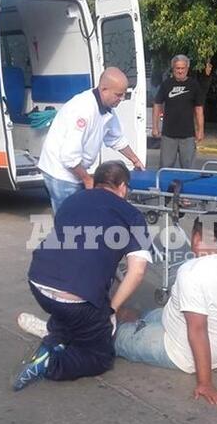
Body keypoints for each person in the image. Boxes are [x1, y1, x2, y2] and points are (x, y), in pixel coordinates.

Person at [12, 161, 152, 391]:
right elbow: (137, 272)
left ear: (95, 183)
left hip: (38, 282)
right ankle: (51, 364)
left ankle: (54, 337)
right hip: (75, 299)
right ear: (123, 187)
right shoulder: (131, 214)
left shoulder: (72, 200)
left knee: (79, 305)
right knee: (100, 355)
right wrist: (112, 310)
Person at [114, 214, 217, 405]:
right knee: (151, 315)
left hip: (181, 353)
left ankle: (117, 328)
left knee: (114, 335)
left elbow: (198, 329)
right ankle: (133, 321)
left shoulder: (191, 272)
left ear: (197, 238)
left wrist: (205, 382)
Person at [38, 67, 145, 214]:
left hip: (75, 167)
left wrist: (135, 160)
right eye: (118, 95)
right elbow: (69, 157)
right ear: (104, 89)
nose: (122, 99)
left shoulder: (107, 108)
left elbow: (116, 138)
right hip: (60, 171)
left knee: (81, 218)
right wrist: (87, 179)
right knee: (69, 221)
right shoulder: (83, 111)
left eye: (124, 95)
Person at [152, 55, 205, 169]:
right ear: (173, 69)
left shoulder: (194, 85)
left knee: (188, 168)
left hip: (188, 135)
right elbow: (157, 104)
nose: (180, 71)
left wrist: (200, 130)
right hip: (168, 135)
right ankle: (164, 187)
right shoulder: (166, 84)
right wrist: (155, 127)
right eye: (177, 68)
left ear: (187, 69)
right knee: (165, 168)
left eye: (183, 68)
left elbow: (199, 109)